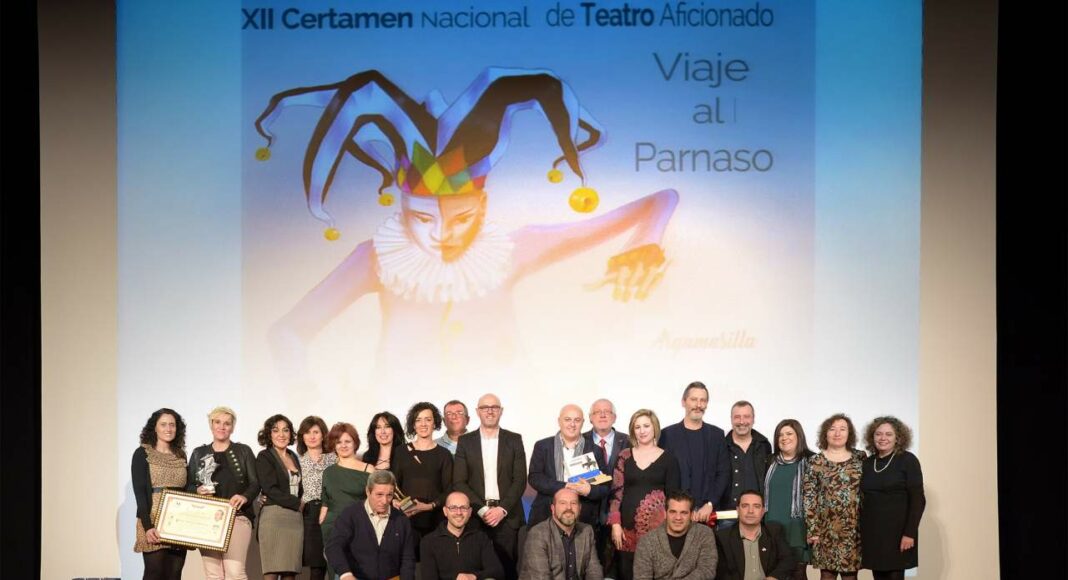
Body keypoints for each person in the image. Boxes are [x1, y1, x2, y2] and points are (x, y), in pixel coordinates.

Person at [453, 393, 528, 580]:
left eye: (494, 407)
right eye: (485, 407)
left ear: (501, 411)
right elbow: (459, 481)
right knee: (475, 569)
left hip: (507, 517)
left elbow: (520, 480)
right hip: (476, 516)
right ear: (477, 411)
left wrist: (501, 509)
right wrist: (483, 510)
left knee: (508, 570)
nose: (490, 411)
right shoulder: (465, 441)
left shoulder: (514, 439)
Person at [186, 406, 260, 579]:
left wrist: (245, 496)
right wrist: (196, 490)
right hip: (207, 519)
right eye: (217, 422)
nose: (222, 426)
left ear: (232, 427)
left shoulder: (243, 451)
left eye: (227, 423)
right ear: (211, 425)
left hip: (237, 516)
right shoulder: (198, 453)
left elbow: (255, 483)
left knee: (235, 572)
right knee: (213, 574)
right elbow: (187, 486)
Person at [608, 409, 681, 580]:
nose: (642, 431)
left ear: (654, 427)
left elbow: (674, 498)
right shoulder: (624, 456)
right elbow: (616, 493)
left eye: (646, 426)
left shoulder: (669, 459)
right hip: (626, 531)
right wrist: (615, 524)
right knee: (626, 573)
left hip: (658, 531)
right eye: (637, 427)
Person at [859, 417, 926, 580]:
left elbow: (918, 500)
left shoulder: (908, 460)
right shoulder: (868, 463)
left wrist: (909, 533)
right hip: (873, 533)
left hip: (898, 534)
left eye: (889, 434)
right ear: (872, 437)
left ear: (898, 438)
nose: (883, 438)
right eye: (878, 434)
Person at [803, 414, 866, 580]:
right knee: (827, 576)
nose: (837, 433)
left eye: (842, 429)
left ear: (849, 434)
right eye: (832, 429)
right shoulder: (815, 461)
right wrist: (813, 530)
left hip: (854, 530)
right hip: (825, 531)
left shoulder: (860, 458)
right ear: (825, 433)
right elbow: (809, 497)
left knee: (851, 577)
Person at [657, 382, 730, 524]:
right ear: (683, 402)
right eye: (694, 399)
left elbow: (723, 473)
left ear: (707, 404)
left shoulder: (717, 435)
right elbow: (662, 476)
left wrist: (710, 504)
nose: (698, 405)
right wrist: (679, 508)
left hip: (708, 514)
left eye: (703, 400)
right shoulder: (667, 435)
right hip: (676, 516)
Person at [325, 469, 417, 580]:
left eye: (389, 495)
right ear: (368, 492)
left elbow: (408, 559)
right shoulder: (350, 514)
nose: (384, 501)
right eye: (379, 494)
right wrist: (345, 574)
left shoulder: (401, 520)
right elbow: (333, 546)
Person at [529, 404, 610, 528]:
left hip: (583, 519)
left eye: (577, 420)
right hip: (545, 514)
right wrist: (565, 486)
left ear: (583, 422)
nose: (572, 424)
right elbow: (535, 478)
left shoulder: (595, 450)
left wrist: (589, 490)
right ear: (559, 421)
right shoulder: (543, 446)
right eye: (567, 419)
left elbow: (605, 487)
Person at [131, 408, 189, 580]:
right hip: (153, 521)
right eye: (163, 424)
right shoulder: (142, 453)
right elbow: (140, 493)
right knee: (154, 574)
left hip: (178, 521)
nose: (168, 429)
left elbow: (186, 489)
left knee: (175, 574)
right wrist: (148, 526)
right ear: (154, 428)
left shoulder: (181, 455)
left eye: (172, 425)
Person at [393, 402, 454, 546]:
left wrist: (429, 506)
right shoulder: (401, 452)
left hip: (436, 520)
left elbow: (449, 489)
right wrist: (396, 502)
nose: (423, 424)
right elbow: (394, 485)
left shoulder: (444, 454)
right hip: (406, 518)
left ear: (435, 423)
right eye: (418, 420)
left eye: (428, 419)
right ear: (413, 425)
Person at [320, 421, 376, 576]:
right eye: (338, 442)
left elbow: (376, 500)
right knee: (337, 572)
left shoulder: (369, 469)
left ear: (355, 443)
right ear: (333, 445)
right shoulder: (328, 472)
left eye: (347, 441)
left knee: (358, 570)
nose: (343, 445)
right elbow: (325, 502)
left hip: (359, 526)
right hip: (331, 527)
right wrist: (322, 522)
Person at [763, 419, 816, 580]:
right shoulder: (769, 461)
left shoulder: (811, 461)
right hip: (772, 525)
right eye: (780, 435)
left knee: (797, 573)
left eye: (789, 434)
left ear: (799, 436)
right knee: (774, 572)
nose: (784, 438)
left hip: (797, 527)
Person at [256, 414, 305, 580]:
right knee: (271, 572)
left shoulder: (293, 456)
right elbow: (270, 489)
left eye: (286, 430)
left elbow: (299, 487)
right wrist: (297, 503)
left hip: (295, 520)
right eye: (276, 430)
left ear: (291, 434)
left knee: (290, 573)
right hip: (274, 517)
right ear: (269, 434)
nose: (281, 434)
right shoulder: (265, 457)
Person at [584, 398, 630, 574]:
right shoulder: (580, 441)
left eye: (607, 412)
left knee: (618, 568)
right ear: (590, 418)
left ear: (615, 417)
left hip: (621, 514)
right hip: (588, 513)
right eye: (597, 412)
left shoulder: (629, 441)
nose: (602, 415)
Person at [632, 489, 717, 580]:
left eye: (683, 513)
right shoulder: (647, 541)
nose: (678, 517)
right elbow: (641, 577)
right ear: (665, 514)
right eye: (673, 512)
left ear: (691, 515)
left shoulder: (704, 534)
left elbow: (707, 570)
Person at [521, 488, 604, 580]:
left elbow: (594, 570)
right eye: (563, 503)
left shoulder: (586, 531)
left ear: (580, 508)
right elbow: (541, 577)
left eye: (573, 503)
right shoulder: (538, 534)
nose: (569, 507)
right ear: (553, 509)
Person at [420, 490, 505, 580]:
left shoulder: (480, 538)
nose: (459, 512)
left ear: (470, 512)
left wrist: (474, 576)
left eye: (463, 508)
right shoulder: (429, 542)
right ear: (445, 511)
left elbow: (497, 571)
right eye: (453, 508)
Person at [715, 489, 795, 580]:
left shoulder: (774, 532)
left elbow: (788, 560)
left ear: (763, 511)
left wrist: (774, 577)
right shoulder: (722, 537)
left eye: (756, 506)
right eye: (745, 506)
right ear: (738, 510)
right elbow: (721, 573)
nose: (750, 511)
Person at [297, 416, 336, 580]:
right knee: (317, 564)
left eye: (316, 432)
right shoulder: (297, 461)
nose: (312, 436)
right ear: (302, 436)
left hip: (332, 510)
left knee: (336, 560)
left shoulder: (334, 458)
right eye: (307, 432)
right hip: (309, 513)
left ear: (323, 435)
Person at [724, 401, 772, 510]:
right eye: (737, 417)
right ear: (731, 419)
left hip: (758, 513)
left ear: (753, 419)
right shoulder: (721, 446)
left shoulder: (764, 445)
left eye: (746, 417)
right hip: (727, 513)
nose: (742, 421)